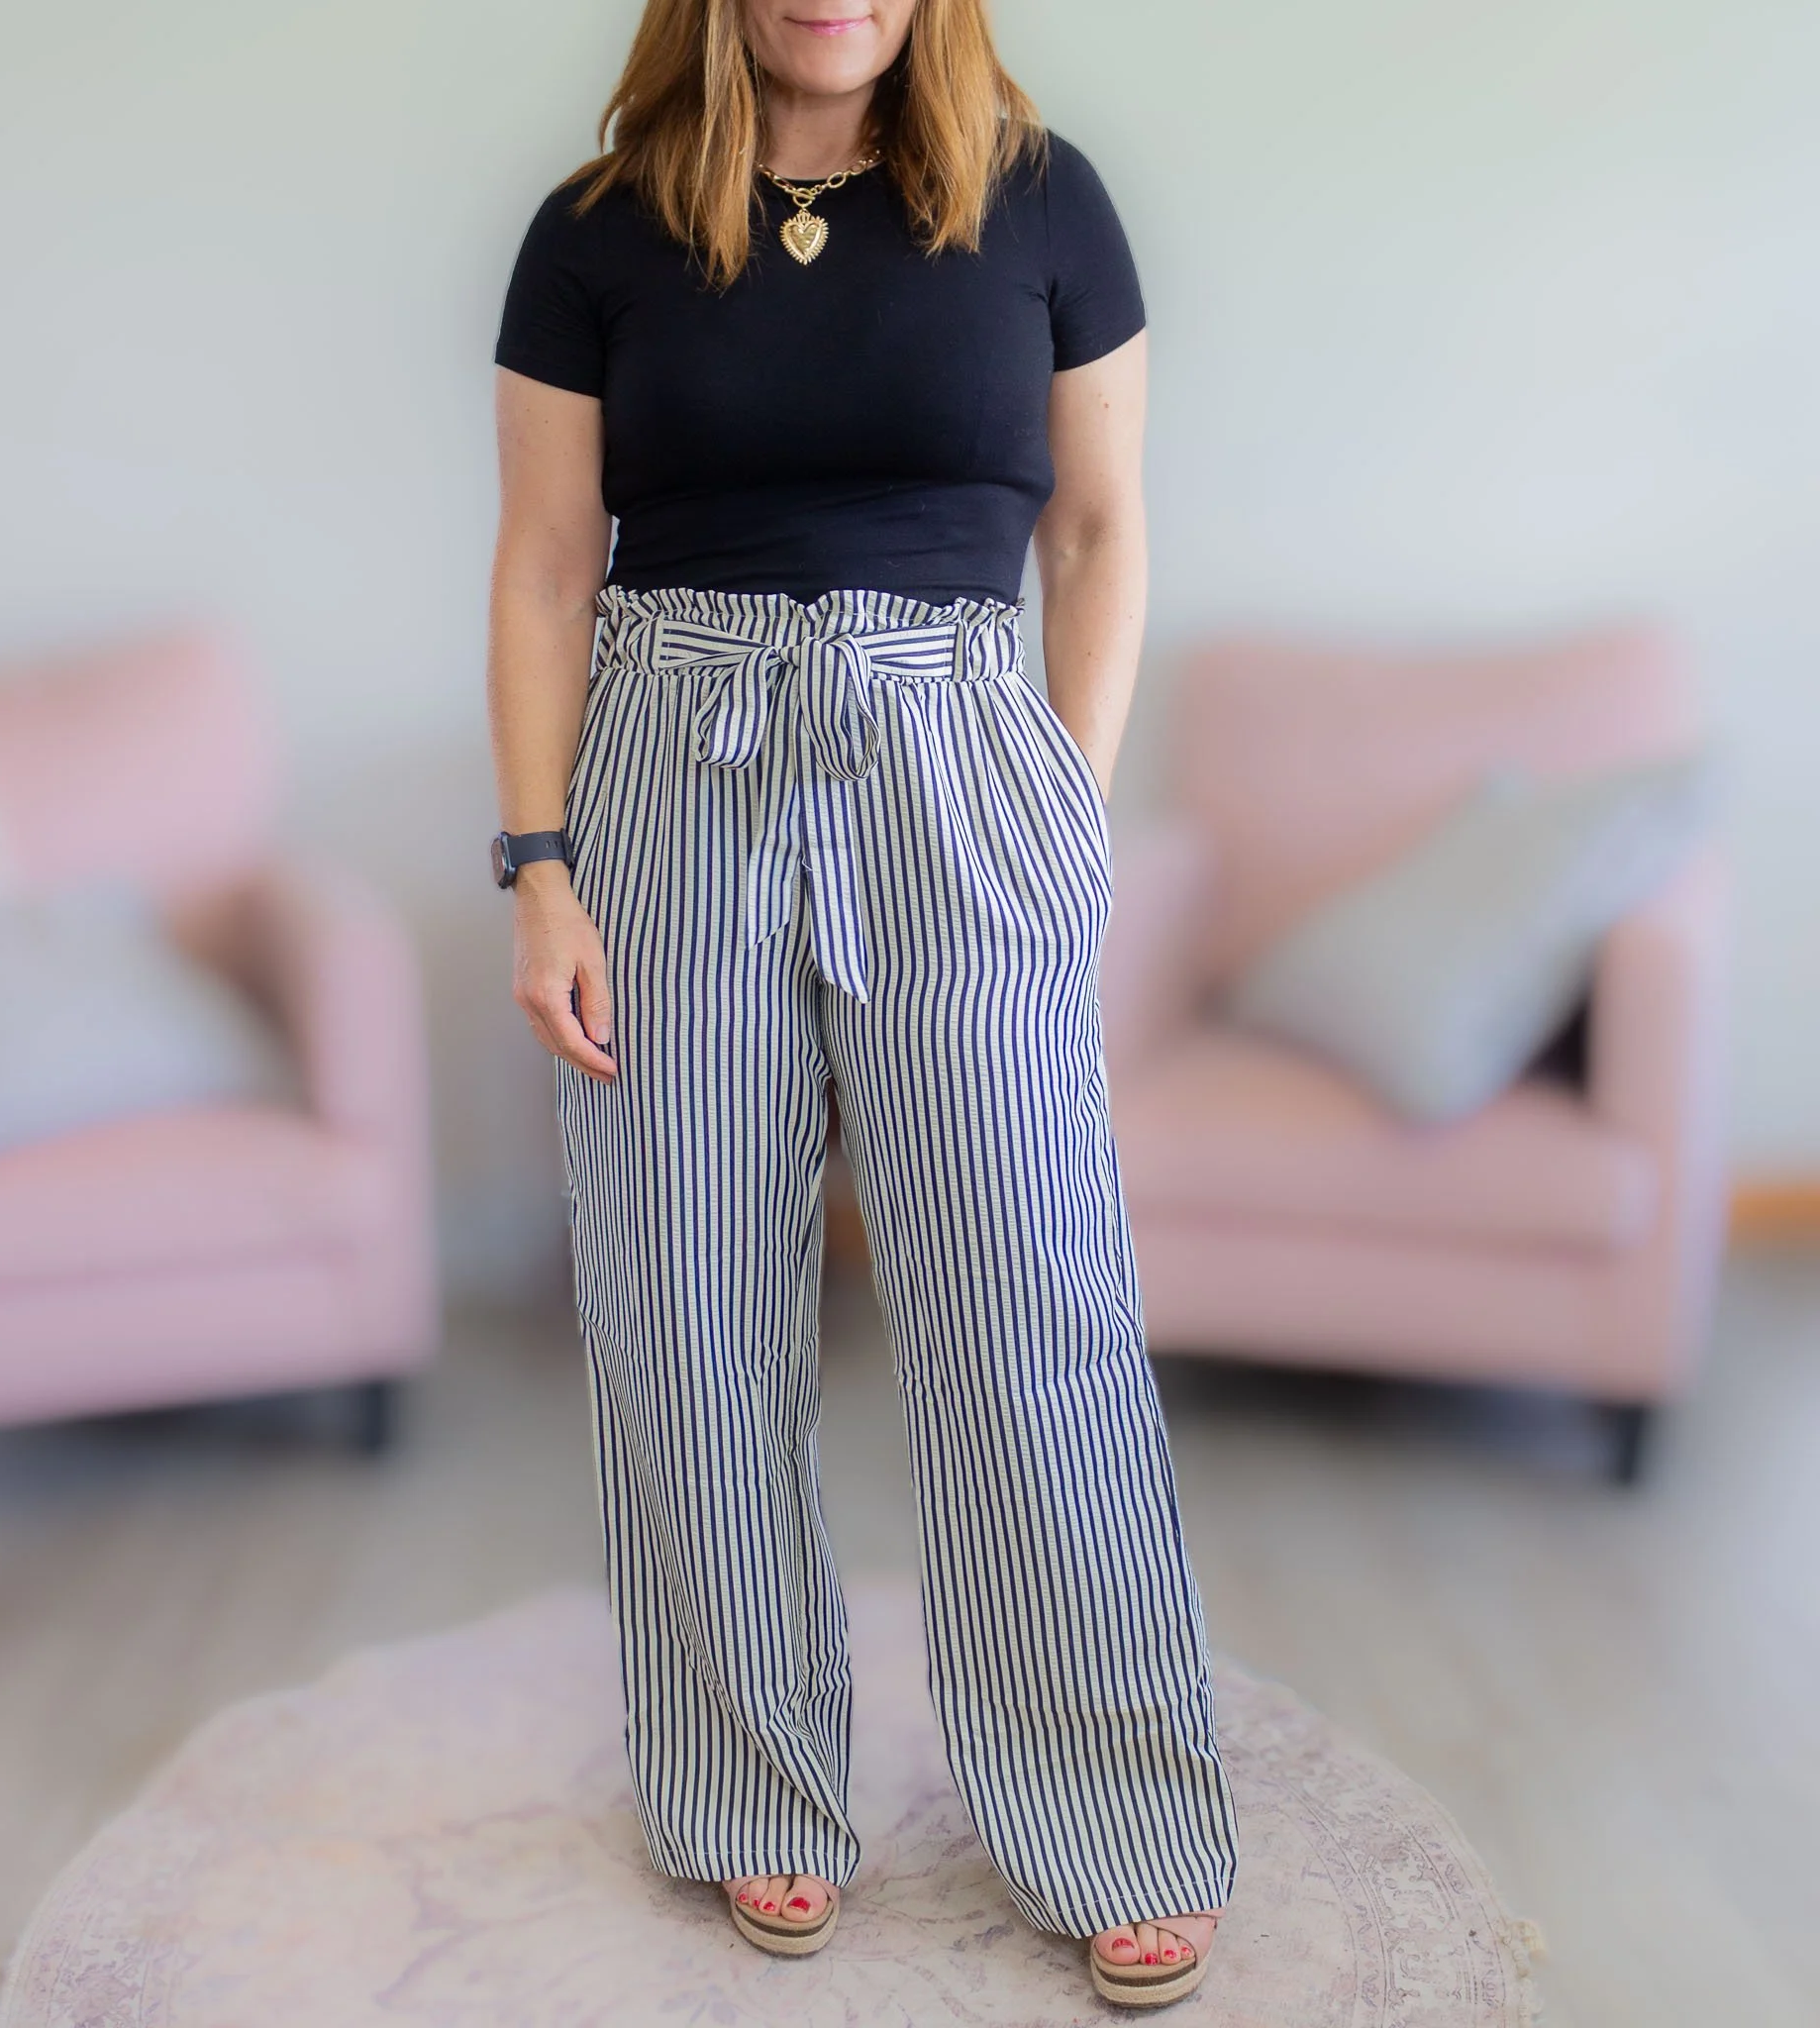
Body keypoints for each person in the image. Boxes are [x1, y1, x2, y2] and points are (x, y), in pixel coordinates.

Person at [484, 0, 1237, 2007]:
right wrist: (537, 861)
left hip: (956, 743)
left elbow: (1094, 529)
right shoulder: (595, 228)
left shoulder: (1045, 201)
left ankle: (1112, 1812)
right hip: (668, 755)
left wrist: (1059, 803)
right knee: (688, 1287)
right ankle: (749, 1792)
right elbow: (550, 564)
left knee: (1028, 1286)